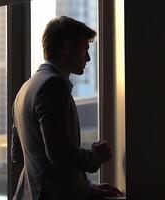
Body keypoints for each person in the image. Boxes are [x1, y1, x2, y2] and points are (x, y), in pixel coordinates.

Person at [11, 16, 122, 200]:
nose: (88, 57)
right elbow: (59, 154)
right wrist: (95, 158)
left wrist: (84, 188)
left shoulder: (25, 89)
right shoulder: (53, 85)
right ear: (68, 48)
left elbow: (18, 155)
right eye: (84, 48)